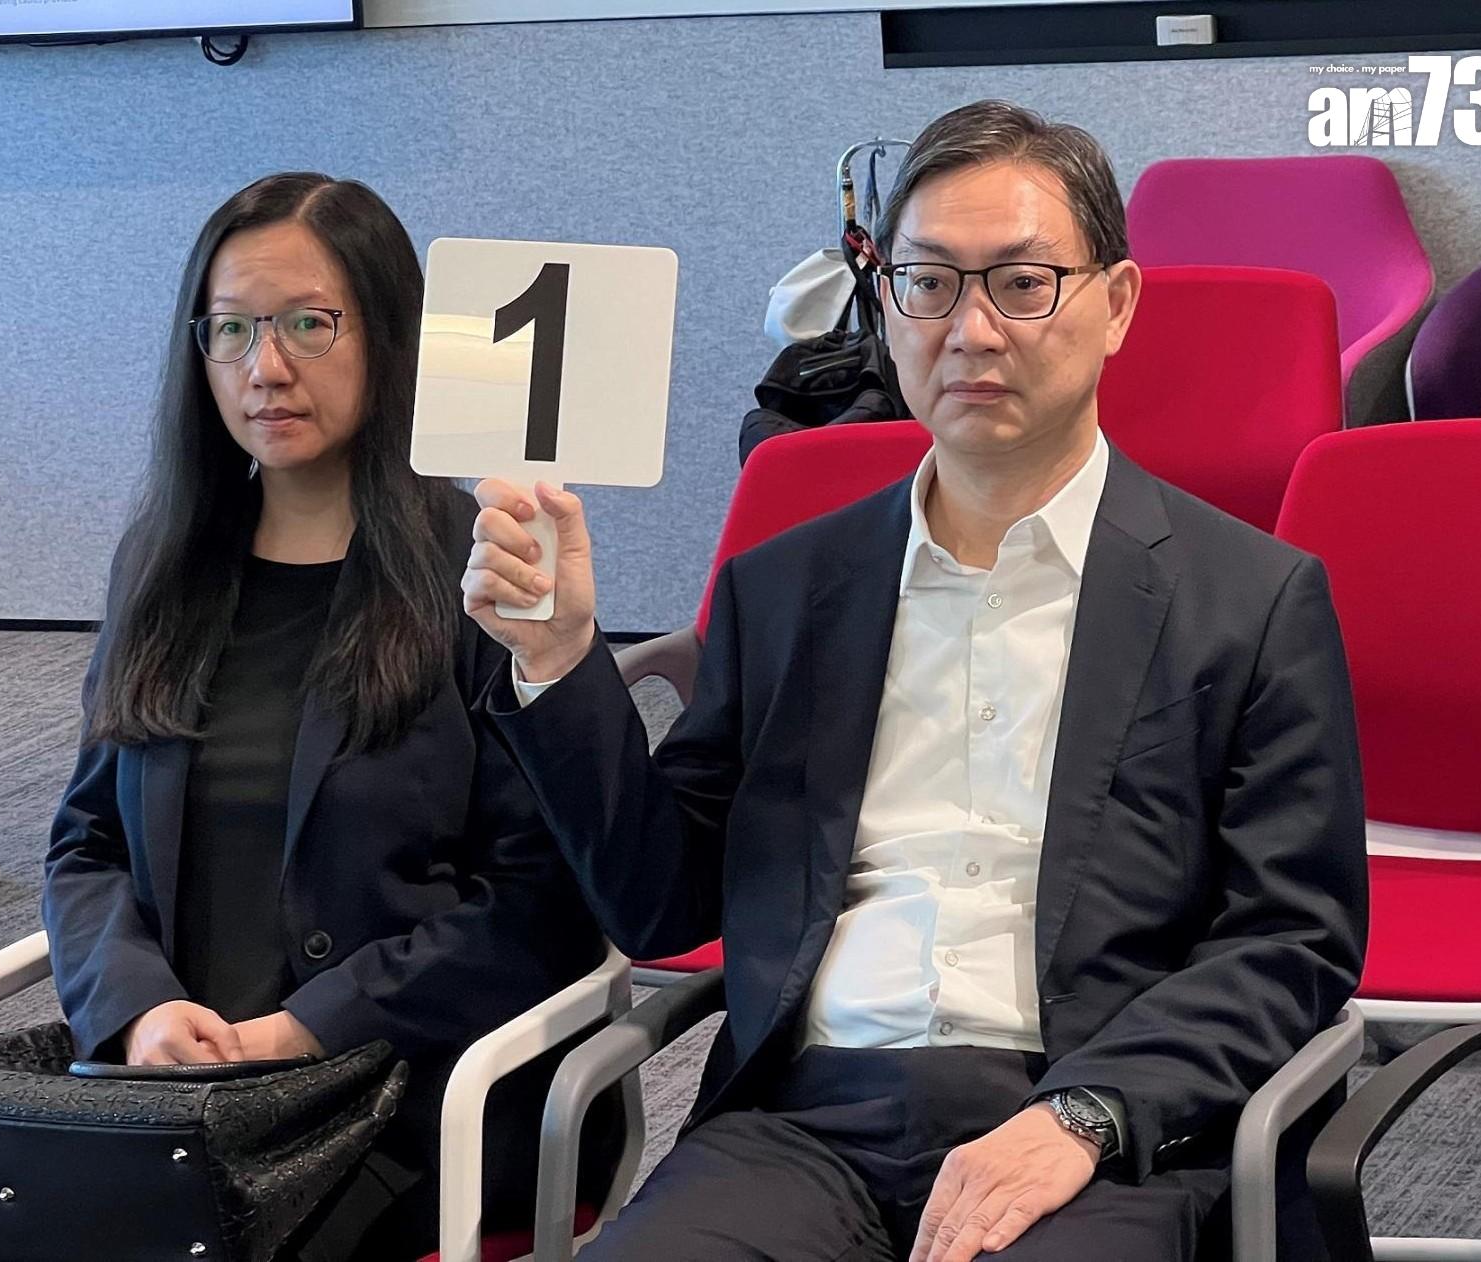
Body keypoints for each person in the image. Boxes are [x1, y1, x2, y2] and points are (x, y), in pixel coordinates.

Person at [465, 100, 1367, 1261]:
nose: (971, 330)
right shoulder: (786, 587)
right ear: (887, 307)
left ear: (1117, 304)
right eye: (929, 283)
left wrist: (1086, 1113)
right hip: (807, 1119)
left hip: (1091, 1111)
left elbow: (1291, 935)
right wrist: (558, 658)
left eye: (1023, 284)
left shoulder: (1248, 595)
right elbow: (662, 901)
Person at [42, 172, 612, 1261]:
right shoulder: (163, 567)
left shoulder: (484, 574)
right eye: (232, 329)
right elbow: (87, 842)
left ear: (389, 334)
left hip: (405, 1095)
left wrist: (305, 1026)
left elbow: (540, 902)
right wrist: (139, 1007)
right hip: (176, 1098)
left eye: (309, 323)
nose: (265, 367)